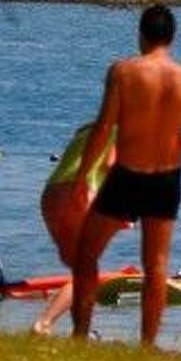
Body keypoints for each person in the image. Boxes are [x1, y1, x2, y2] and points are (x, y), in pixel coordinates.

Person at [71, 5, 181, 345]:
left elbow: (104, 128)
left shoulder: (123, 72)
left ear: (141, 35)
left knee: (86, 255)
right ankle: (147, 346)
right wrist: (173, 143)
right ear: (172, 38)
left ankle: (80, 335)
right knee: (156, 265)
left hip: (127, 175)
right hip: (166, 179)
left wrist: (83, 176)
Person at [32, 117, 116, 334]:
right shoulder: (121, 131)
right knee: (86, 273)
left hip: (51, 194)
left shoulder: (86, 131)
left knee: (78, 269)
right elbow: (110, 165)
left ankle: (78, 331)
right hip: (81, 195)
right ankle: (46, 323)